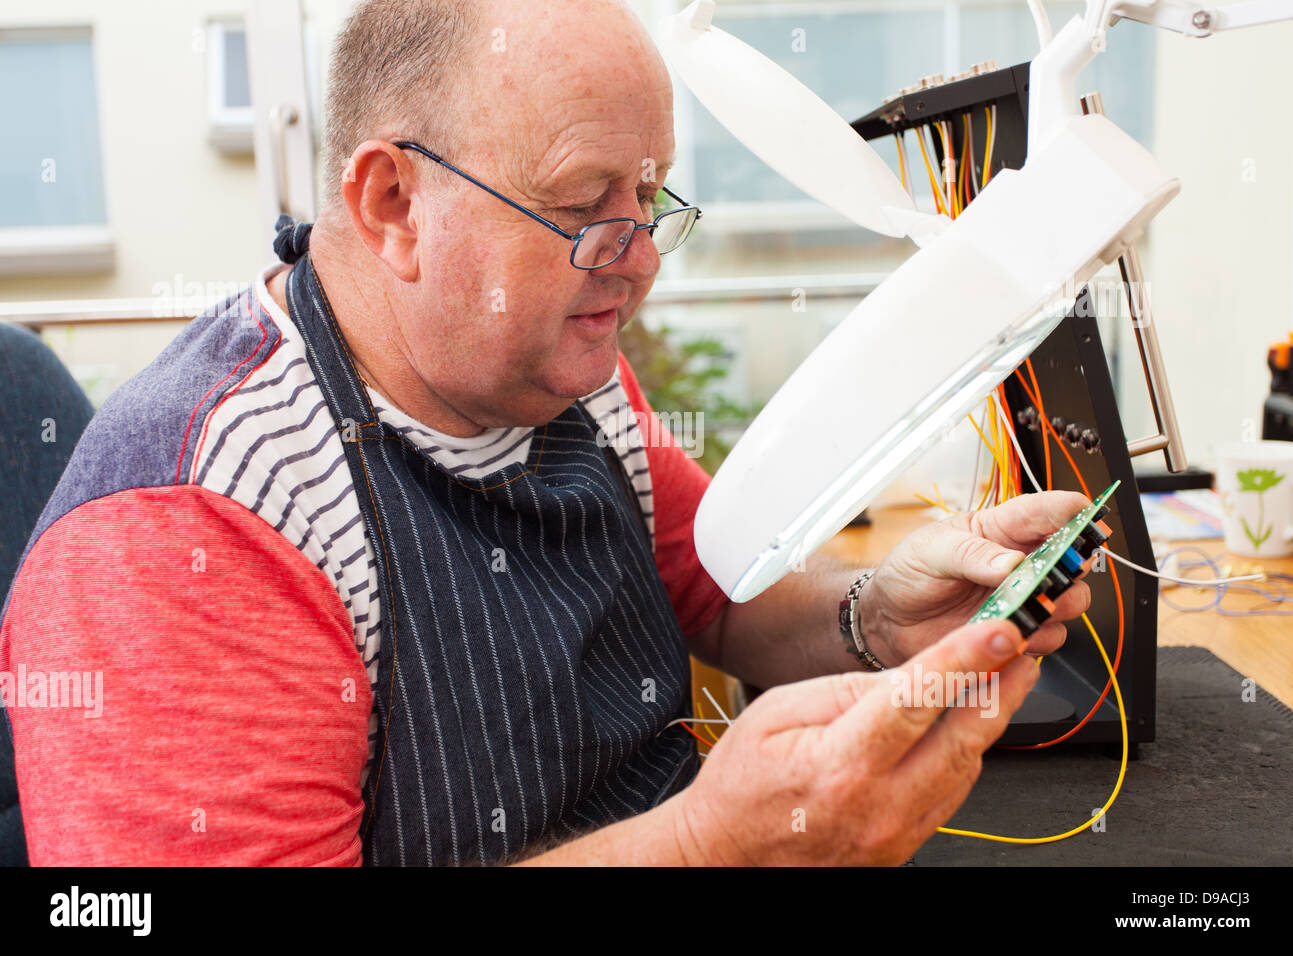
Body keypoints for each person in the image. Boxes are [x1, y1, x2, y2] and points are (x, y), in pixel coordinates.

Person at [0, 0, 1089, 866]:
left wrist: (870, 614)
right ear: (392, 202)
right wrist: (710, 842)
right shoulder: (191, 529)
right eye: (582, 204)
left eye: (650, 197)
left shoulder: (552, 363)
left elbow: (708, 587)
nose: (641, 255)